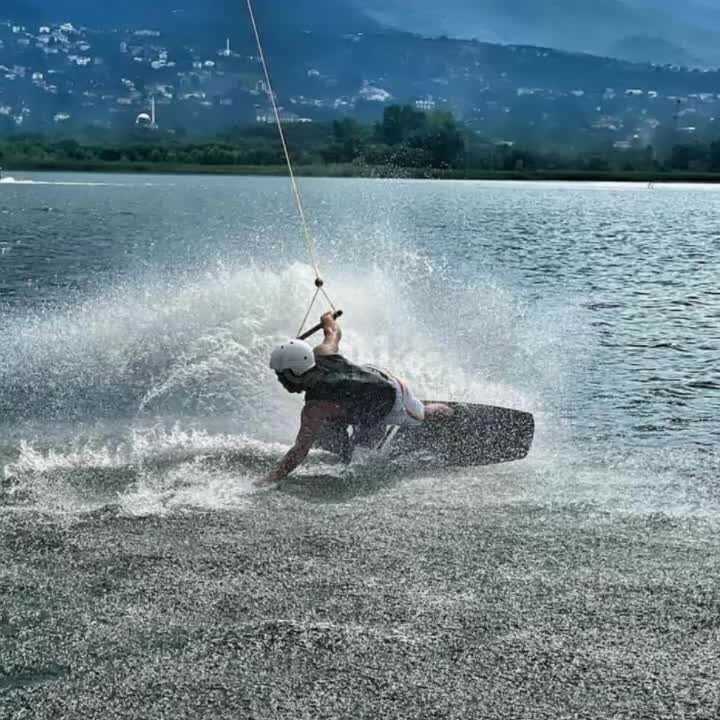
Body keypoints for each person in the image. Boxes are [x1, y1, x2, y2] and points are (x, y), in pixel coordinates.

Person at [257, 312, 452, 486]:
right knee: (330, 430)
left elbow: (300, 450)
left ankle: (449, 412)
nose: (280, 380)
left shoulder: (314, 408)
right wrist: (328, 319)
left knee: (420, 415)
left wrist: (270, 478)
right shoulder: (322, 353)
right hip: (362, 383)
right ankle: (344, 434)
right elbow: (333, 332)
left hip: (389, 394)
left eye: (282, 375)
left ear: (297, 372)